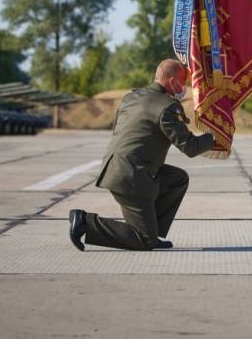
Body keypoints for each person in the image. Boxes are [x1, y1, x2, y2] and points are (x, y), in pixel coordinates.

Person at [68, 59, 215, 251]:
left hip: (117, 168)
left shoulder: (131, 97)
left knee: (177, 179)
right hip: (131, 178)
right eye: (183, 82)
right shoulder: (167, 107)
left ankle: (152, 231)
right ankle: (85, 222)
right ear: (172, 82)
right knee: (142, 240)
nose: (184, 87)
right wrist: (215, 138)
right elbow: (190, 147)